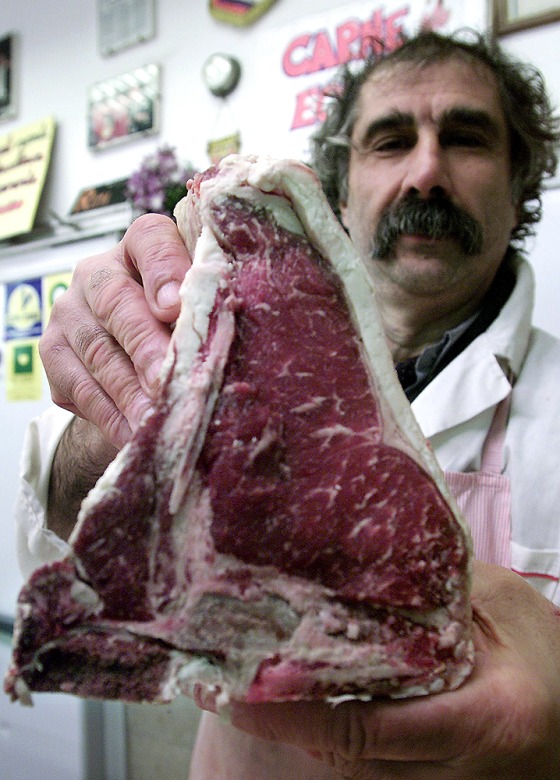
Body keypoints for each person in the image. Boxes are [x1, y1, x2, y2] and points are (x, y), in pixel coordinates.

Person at [15, 29, 560, 778]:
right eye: (390, 141)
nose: (427, 171)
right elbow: (61, 526)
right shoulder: (229, 322)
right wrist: (134, 395)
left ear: (521, 181)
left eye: (467, 139)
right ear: (342, 188)